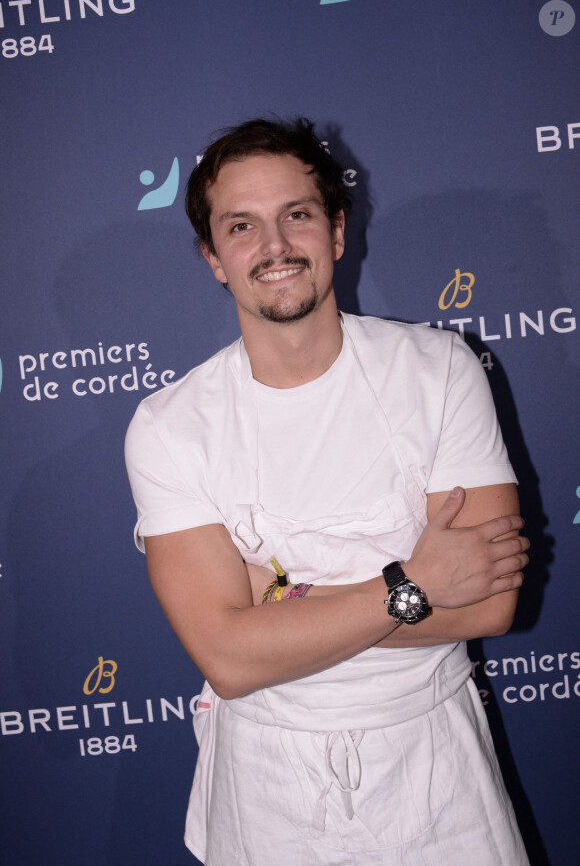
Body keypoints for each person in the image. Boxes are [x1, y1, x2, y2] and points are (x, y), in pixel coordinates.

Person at [125, 117, 530, 865]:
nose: (274, 247)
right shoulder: (170, 424)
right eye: (242, 226)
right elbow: (230, 657)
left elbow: (487, 601)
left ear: (336, 232)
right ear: (214, 257)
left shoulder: (439, 370)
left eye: (297, 216)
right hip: (264, 786)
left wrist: (282, 599)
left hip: (436, 767)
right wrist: (414, 580)